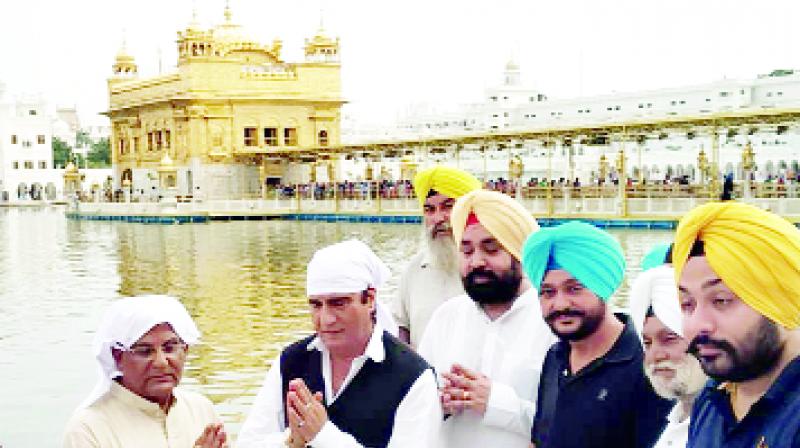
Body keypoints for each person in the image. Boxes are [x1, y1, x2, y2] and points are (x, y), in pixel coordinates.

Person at [238, 239, 441, 448]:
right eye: (316, 305)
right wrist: (291, 442)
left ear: (370, 299)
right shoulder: (290, 361)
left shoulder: (413, 378)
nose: (326, 319)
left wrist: (323, 436)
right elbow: (249, 442)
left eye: (338, 304)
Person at [418, 189, 556, 448]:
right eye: (466, 251)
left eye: (491, 249)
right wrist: (437, 404)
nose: (476, 262)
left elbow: (574, 423)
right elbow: (415, 410)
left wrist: (495, 402)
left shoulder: (552, 320)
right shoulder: (447, 317)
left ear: (519, 254)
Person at [521, 221, 672, 448]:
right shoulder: (556, 356)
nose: (560, 304)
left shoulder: (647, 364)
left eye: (574, 289)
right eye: (548, 292)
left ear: (602, 287)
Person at [672, 202, 800, 447]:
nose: (698, 324)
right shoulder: (711, 401)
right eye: (687, 304)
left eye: (721, 300)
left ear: (779, 301)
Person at [63, 295, 227, 448]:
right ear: (118, 357)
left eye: (169, 348)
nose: (161, 362)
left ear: (185, 350)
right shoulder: (89, 428)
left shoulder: (201, 410)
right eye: (145, 351)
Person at [393, 165, 482, 347]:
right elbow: (400, 324)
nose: (438, 218)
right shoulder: (416, 268)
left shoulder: (493, 267)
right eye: (429, 210)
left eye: (448, 206)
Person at [629, 264, 709, 448]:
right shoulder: (677, 417)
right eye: (647, 343)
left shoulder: (731, 424)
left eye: (669, 339)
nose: (655, 355)